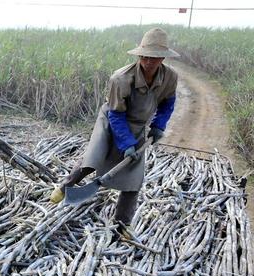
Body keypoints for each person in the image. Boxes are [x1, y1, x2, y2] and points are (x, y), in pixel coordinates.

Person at [49, 27, 179, 235]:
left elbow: (168, 103)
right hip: (112, 121)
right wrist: (126, 144)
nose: (148, 62)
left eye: (154, 58)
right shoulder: (121, 79)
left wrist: (158, 125)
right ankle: (65, 187)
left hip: (138, 126)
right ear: (140, 55)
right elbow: (116, 115)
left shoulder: (170, 78)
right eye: (145, 57)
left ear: (162, 58)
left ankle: (122, 224)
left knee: (133, 178)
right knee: (93, 159)